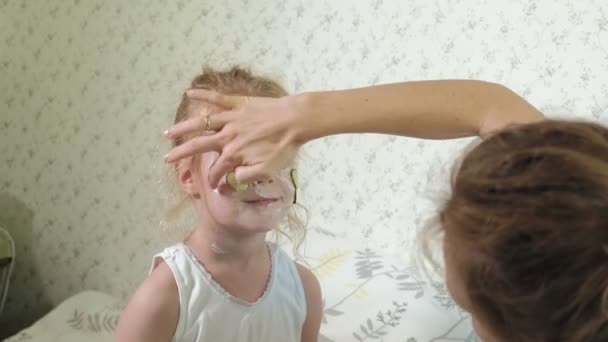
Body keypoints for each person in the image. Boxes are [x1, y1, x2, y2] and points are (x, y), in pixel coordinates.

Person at [164, 80, 608, 341]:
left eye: (471, 313)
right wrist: (298, 115)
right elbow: (488, 105)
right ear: (187, 178)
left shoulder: (300, 287)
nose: (259, 176)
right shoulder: (172, 286)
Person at [115, 67, 322, 342]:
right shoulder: (164, 298)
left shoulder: (303, 289)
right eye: (238, 155)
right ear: (188, 176)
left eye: (278, 155)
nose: (264, 173)